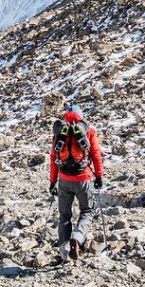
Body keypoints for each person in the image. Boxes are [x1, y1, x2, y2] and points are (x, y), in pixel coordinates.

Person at [49, 104, 103, 263]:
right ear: (81, 116)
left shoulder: (59, 133)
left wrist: (53, 182)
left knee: (64, 216)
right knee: (87, 211)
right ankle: (77, 238)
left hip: (64, 179)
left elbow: (53, 158)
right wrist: (99, 176)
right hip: (83, 179)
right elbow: (96, 155)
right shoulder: (89, 131)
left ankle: (65, 254)